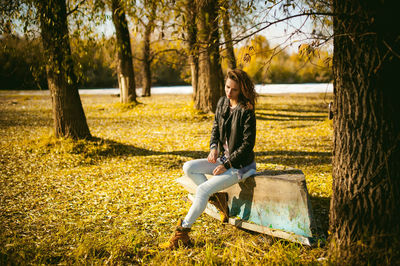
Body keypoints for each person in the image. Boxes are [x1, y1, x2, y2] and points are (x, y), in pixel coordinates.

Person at [162, 69, 258, 249]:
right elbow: (216, 128)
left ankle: (183, 232)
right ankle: (218, 198)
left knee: (203, 190)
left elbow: (247, 146)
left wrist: (227, 164)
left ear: (242, 90)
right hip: (224, 159)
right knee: (188, 167)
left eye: (234, 90)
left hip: (243, 166)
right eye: (227, 87)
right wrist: (213, 147)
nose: (229, 93)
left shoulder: (247, 111)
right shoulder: (223, 103)